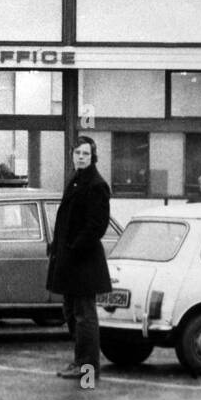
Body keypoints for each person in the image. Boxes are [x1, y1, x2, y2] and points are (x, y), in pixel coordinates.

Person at [47, 136, 112, 384]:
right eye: (77, 153)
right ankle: (79, 361)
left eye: (85, 154)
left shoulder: (96, 185)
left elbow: (97, 226)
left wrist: (73, 249)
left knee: (84, 316)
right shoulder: (75, 180)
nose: (81, 157)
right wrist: (58, 246)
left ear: (92, 156)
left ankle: (87, 368)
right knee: (71, 313)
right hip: (70, 260)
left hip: (83, 262)